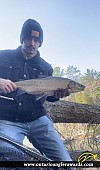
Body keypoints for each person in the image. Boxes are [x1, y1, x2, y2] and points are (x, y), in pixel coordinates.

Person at [0, 19, 73, 164]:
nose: (32, 43)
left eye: (36, 39)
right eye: (28, 38)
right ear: (22, 38)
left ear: (40, 42)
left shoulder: (46, 67)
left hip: (38, 120)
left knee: (66, 163)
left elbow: (48, 97)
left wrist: (57, 95)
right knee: (9, 161)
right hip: (8, 121)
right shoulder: (3, 56)